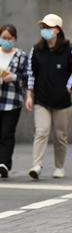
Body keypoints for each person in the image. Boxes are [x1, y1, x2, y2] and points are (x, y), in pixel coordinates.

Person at [26, 14, 72, 180]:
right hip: (41, 99)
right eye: (43, 27)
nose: (45, 31)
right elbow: (30, 73)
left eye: (48, 27)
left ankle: (59, 166)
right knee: (41, 131)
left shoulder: (69, 50)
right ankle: (37, 165)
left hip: (62, 101)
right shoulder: (36, 50)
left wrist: (68, 87)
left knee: (60, 136)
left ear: (57, 30)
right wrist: (29, 95)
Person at [0, 25, 28, 179]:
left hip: (12, 100)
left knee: (7, 133)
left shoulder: (21, 56)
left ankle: (4, 164)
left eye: (9, 39)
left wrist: (14, 77)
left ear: (15, 39)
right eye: (3, 38)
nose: (6, 41)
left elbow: (26, 77)